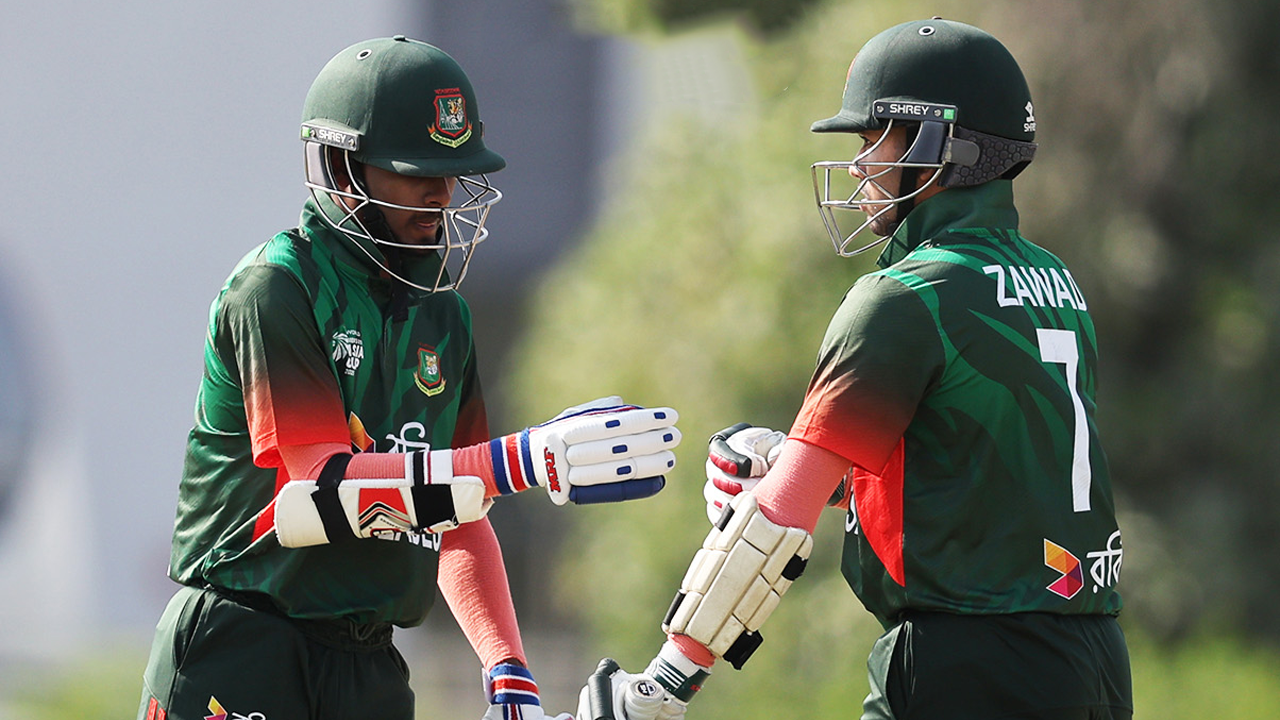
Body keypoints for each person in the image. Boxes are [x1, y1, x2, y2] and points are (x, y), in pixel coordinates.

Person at [580, 18, 1132, 720]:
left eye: (876, 137)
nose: (860, 165)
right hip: (1093, 659)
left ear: (938, 144)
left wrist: (665, 683)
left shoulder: (906, 296)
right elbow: (976, 480)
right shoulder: (1056, 282)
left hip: (965, 660)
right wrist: (800, 466)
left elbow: (775, 523)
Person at [137, 36, 682, 720]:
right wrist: (520, 460)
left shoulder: (445, 317)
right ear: (343, 169)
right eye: (417, 170)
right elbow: (321, 489)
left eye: (452, 171)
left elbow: (459, 510)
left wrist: (506, 666)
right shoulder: (279, 288)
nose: (443, 193)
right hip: (245, 639)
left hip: (369, 663)